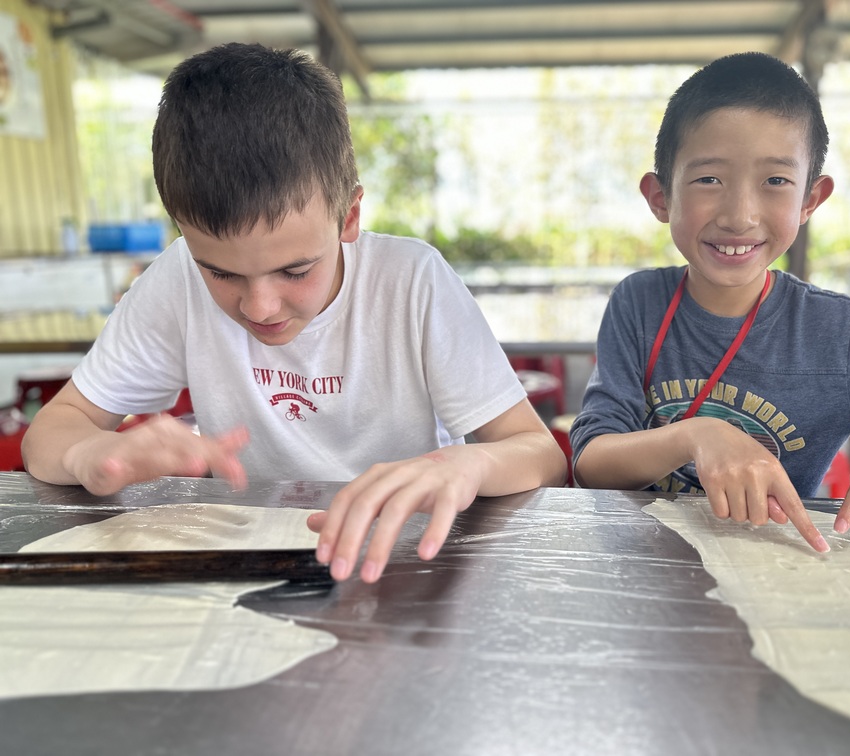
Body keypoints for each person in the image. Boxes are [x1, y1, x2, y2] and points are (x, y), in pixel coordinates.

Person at [21, 42, 567, 583]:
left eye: (296, 270)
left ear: (348, 217)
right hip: (251, 564)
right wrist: (91, 453)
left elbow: (541, 454)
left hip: (405, 564)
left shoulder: (412, 283)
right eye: (221, 273)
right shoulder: (176, 279)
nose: (259, 307)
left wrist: (469, 465)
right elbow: (50, 434)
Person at [570, 51, 850, 552]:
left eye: (775, 181)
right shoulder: (639, 302)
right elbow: (591, 461)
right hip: (644, 565)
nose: (739, 216)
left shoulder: (843, 336)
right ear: (660, 196)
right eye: (709, 179)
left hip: (772, 571)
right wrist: (696, 436)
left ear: (810, 200)